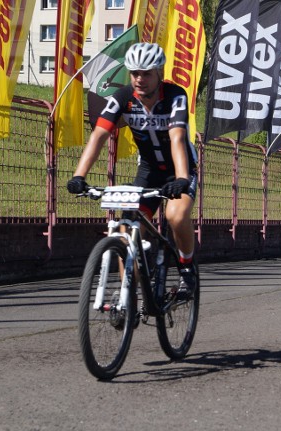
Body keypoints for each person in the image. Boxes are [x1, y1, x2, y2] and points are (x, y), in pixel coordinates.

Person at [66, 42, 198, 293]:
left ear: (159, 72)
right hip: (149, 171)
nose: (139, 79)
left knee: (175, 215)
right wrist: (78, 176)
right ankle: (129, 292)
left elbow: (177, 138)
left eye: (146, 73)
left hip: (180, 169)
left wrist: (182, 178)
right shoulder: (122, 98)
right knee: (126, 228)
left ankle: (186, 267)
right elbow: (98, 136)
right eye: (135, 73)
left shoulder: (174, 95)